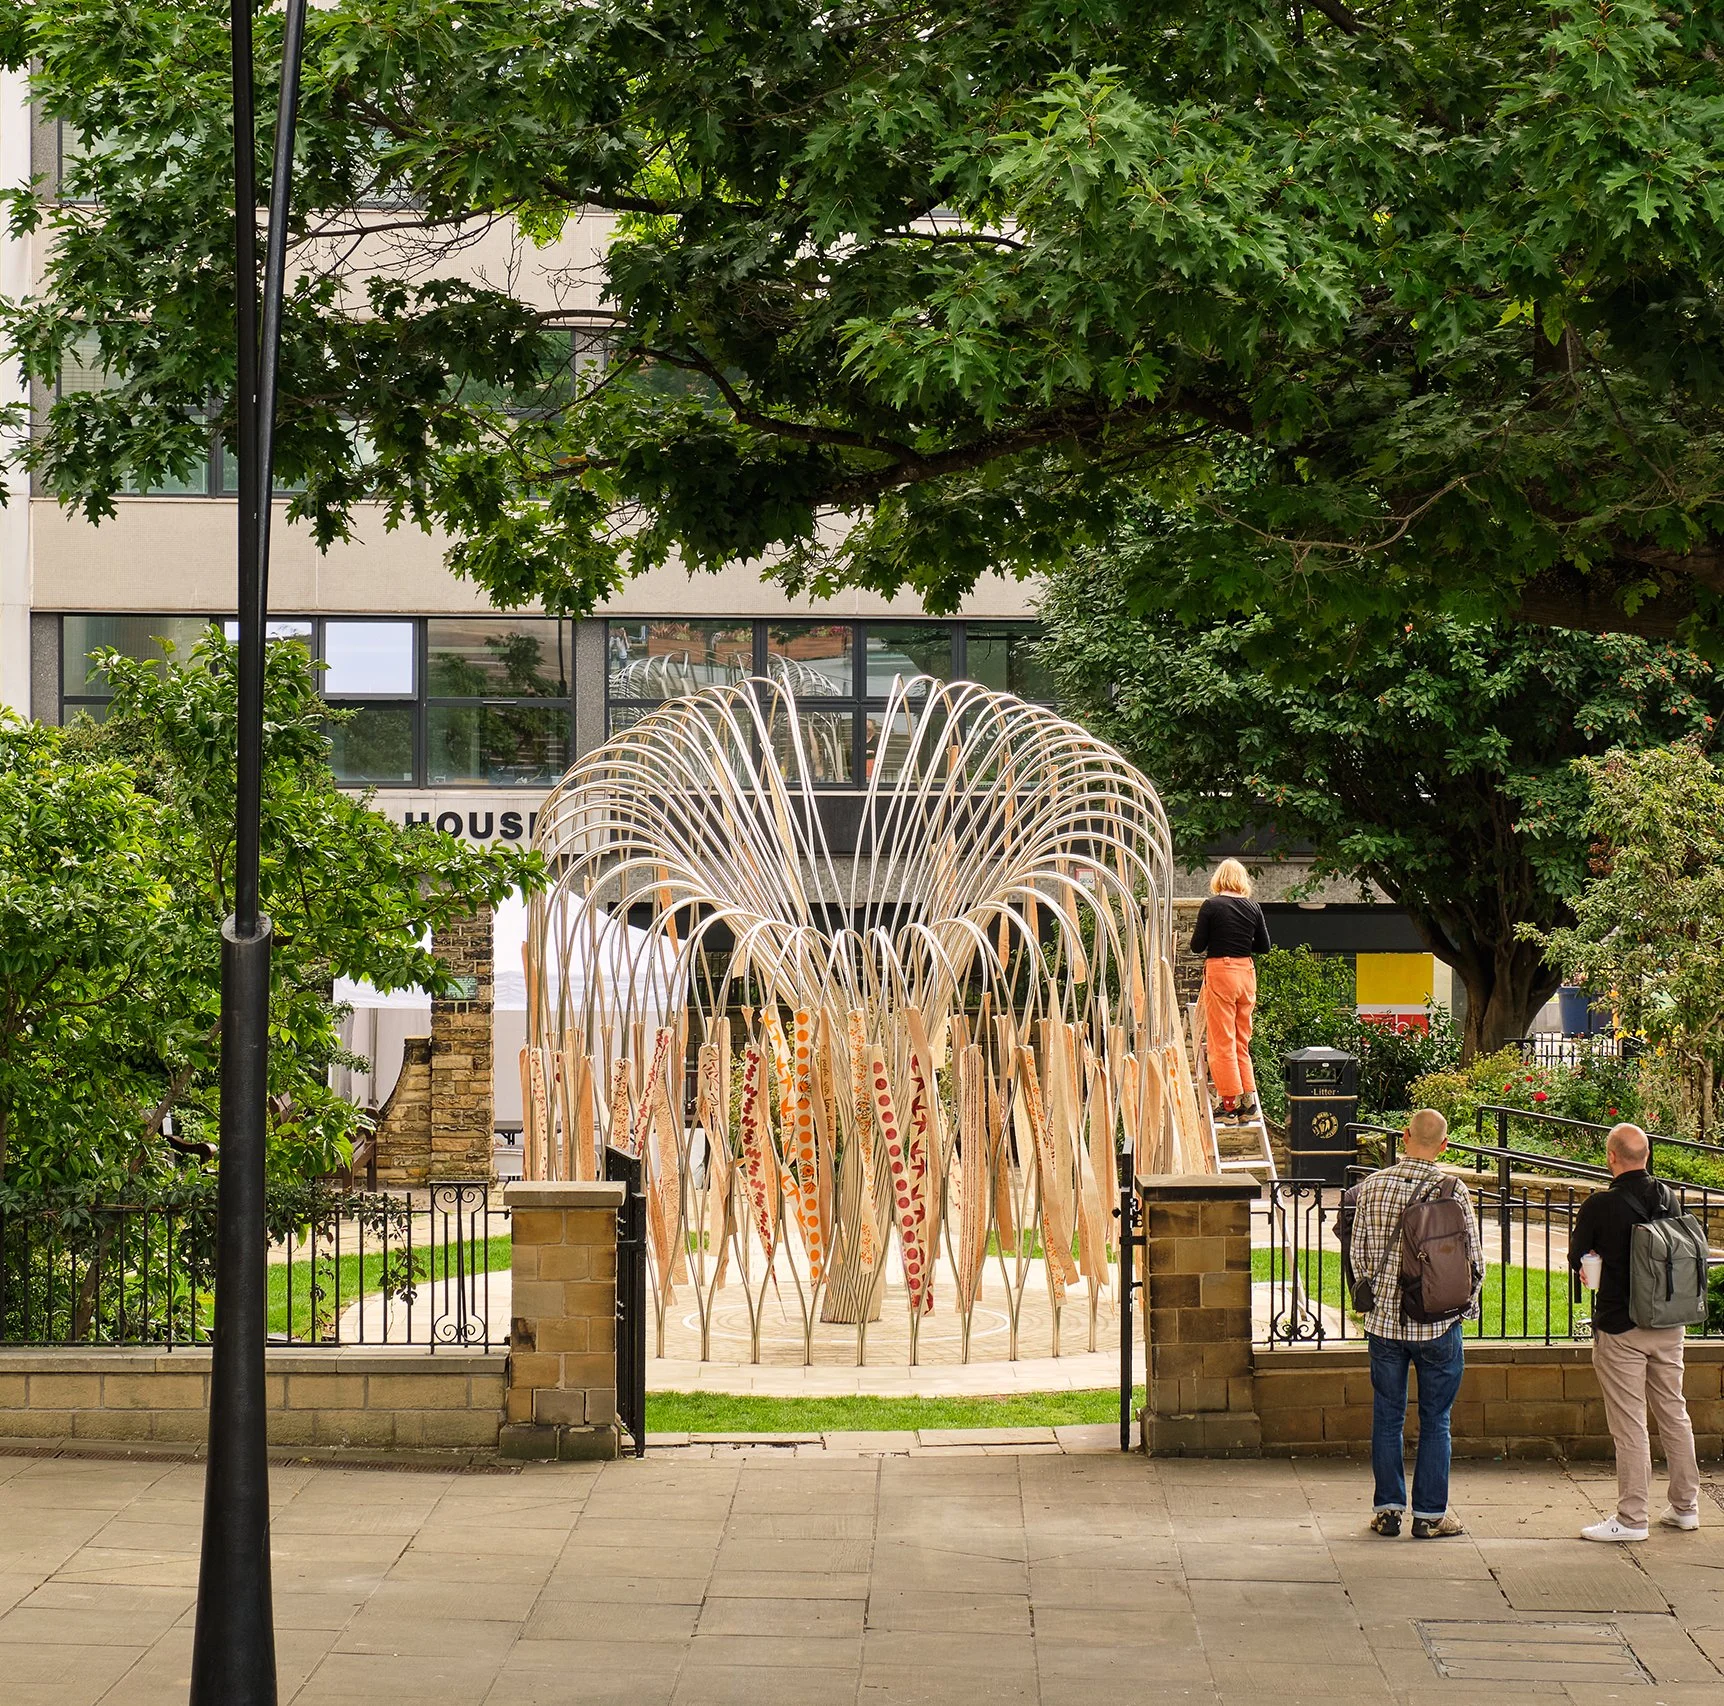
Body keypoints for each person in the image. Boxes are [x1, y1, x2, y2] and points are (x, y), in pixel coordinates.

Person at [1351, 1108, 1482, 1539]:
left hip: (1385, 1326)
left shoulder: (1370, 1187)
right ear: (1444, 1145)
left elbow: (1359, 1257)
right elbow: (1472, 1261)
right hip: (1437, 1325)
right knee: (1436, 1419)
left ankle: (1388, 1509)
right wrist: (1465, 1310)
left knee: (1387, 1416)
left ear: (1405, 1136)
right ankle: (1429, 1515)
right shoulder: (1452, 1189)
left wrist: (1374, 1298)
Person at [1568, 1122, 1702, 1542]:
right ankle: (1685, 1507)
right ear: (1646, 1156)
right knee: (1674, 1414)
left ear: (1612, 1157)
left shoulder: (1600, 1205)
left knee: (1629, 1425)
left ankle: (1631, 1518)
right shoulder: (1669, 1198)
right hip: (1668, 1324)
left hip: (1621, 1327)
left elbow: (1578, 1258)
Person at [1189, 858, 1271, 1117]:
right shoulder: (1253, 907)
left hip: (1221, 972)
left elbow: (1196, 945)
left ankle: (1229, 1104)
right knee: (1241, 1040)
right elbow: (1264, 947)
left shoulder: (1211, 906)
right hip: (1246, 973)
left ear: (1218, 879)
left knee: (1221, 1041)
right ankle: (1249, 1100)